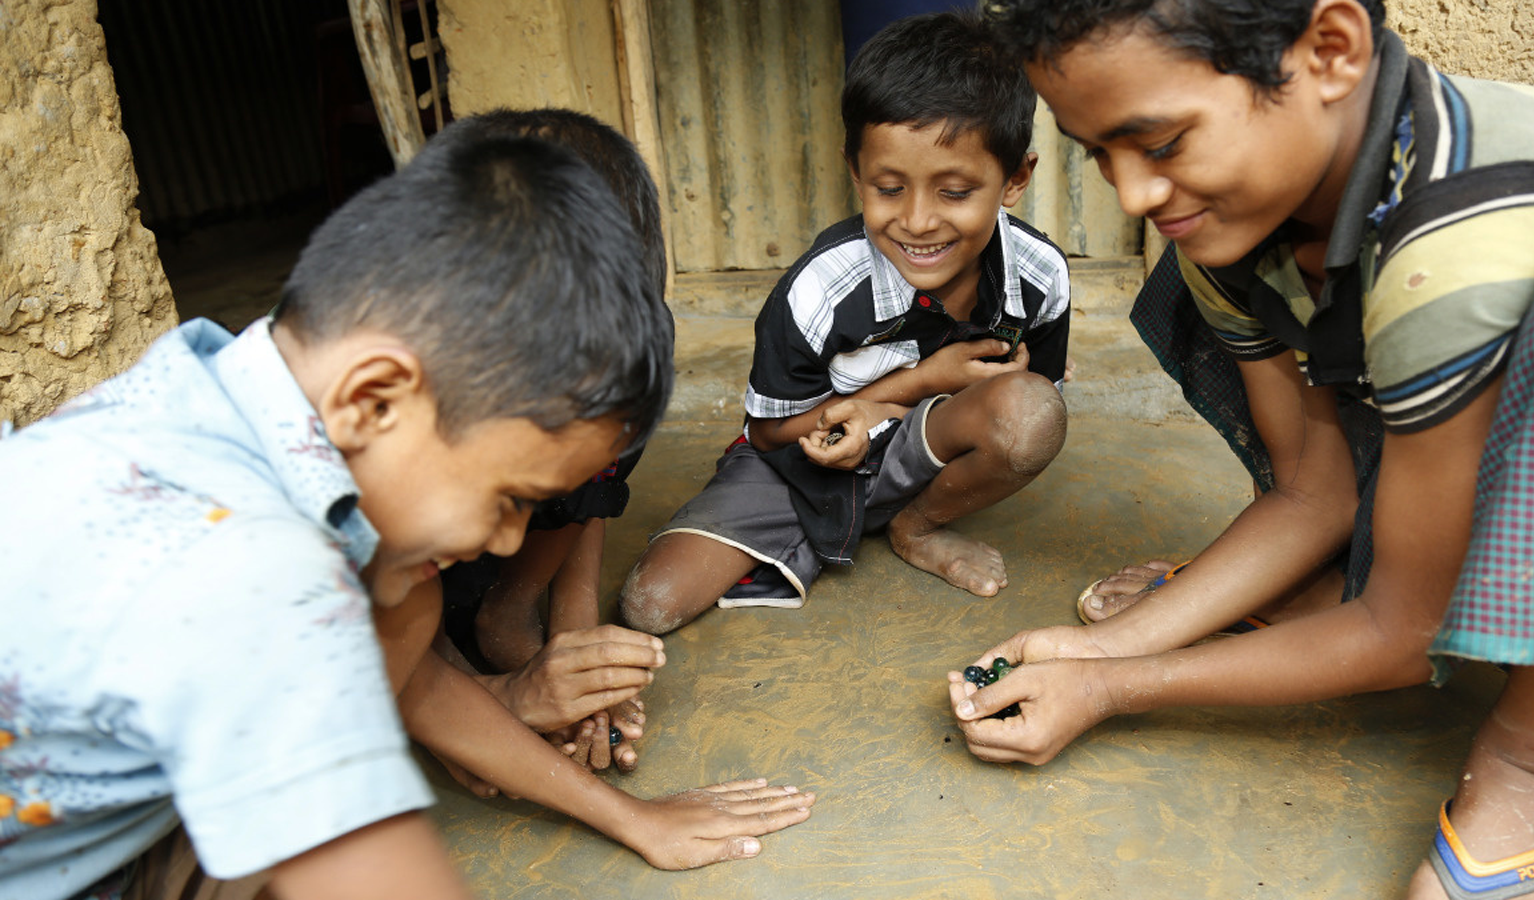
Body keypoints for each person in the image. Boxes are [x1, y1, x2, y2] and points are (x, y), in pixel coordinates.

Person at [0, 120, 803, 900]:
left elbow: (402, 673)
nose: (510, 539)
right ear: (375, 397)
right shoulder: (246, 576)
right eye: (509, 499)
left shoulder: (217, 392)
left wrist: (634, 821)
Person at [950, 1, 1534, 897]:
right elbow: (1311, 493)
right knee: (1232, 274)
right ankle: (1378, 566)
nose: (1133, 194)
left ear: (1329, 52)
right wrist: (1102, 654)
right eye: (1101, 152)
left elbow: (1401, 639)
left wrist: (1120, 689)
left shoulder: (1456, 234)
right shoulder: (1235, 228)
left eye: (1164, 142)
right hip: (1435, 331)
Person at [619, 9, 1072, 635]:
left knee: (1032, 413)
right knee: (650, 605)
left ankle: (917, 525)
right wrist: (911, 384)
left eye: (954, 192)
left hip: (924, 453)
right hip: (799, 465)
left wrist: (928, 402)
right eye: (889, 188)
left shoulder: (1038, 276)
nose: (917, 221)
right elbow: (772, 434)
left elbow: (1033, 392)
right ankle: (838, 526)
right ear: (855, 171)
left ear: (1015, 177)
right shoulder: (817, 292)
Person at [427, 109, 669, 776]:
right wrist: (481, 715)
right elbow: (375, 626)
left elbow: (598, 473)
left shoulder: (636, 348)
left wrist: (575, 642)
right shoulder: (380, 423)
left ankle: (502, 611)